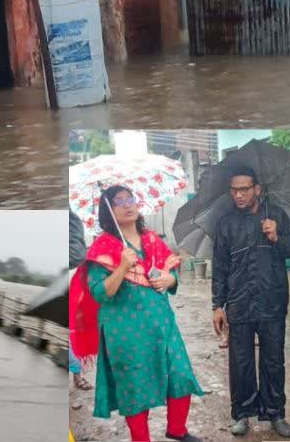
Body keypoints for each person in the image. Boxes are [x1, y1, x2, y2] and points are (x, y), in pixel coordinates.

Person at [68, 185, 204, 442]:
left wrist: (169, 280)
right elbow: (99, 293)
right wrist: (121, 267)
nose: (127, 204)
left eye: (130, 198)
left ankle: (177, 429)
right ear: (109, 211)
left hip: (163, 325)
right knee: (135, 389)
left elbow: (172, 275)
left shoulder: (152, 239)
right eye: (119, 201)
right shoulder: (102, 248)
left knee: (181, 374)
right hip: (125, 332)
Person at [212, 165, 290, 438]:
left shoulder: (276, 216)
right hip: (239, 303)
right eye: (234, 190)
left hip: (272, 301)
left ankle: (276, 413)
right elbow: (220, 267)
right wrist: (217, 304)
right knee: (241, 362)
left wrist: (276, 237)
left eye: (244, 189)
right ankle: (241, 414)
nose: (238, 195)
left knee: (274, 360)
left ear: (257, 190)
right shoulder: (226, 224)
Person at [69, 211, 92, 391]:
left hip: (72, 280)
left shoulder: (70, 218)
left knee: (73, 330)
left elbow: (77, 255)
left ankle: (77, 374)